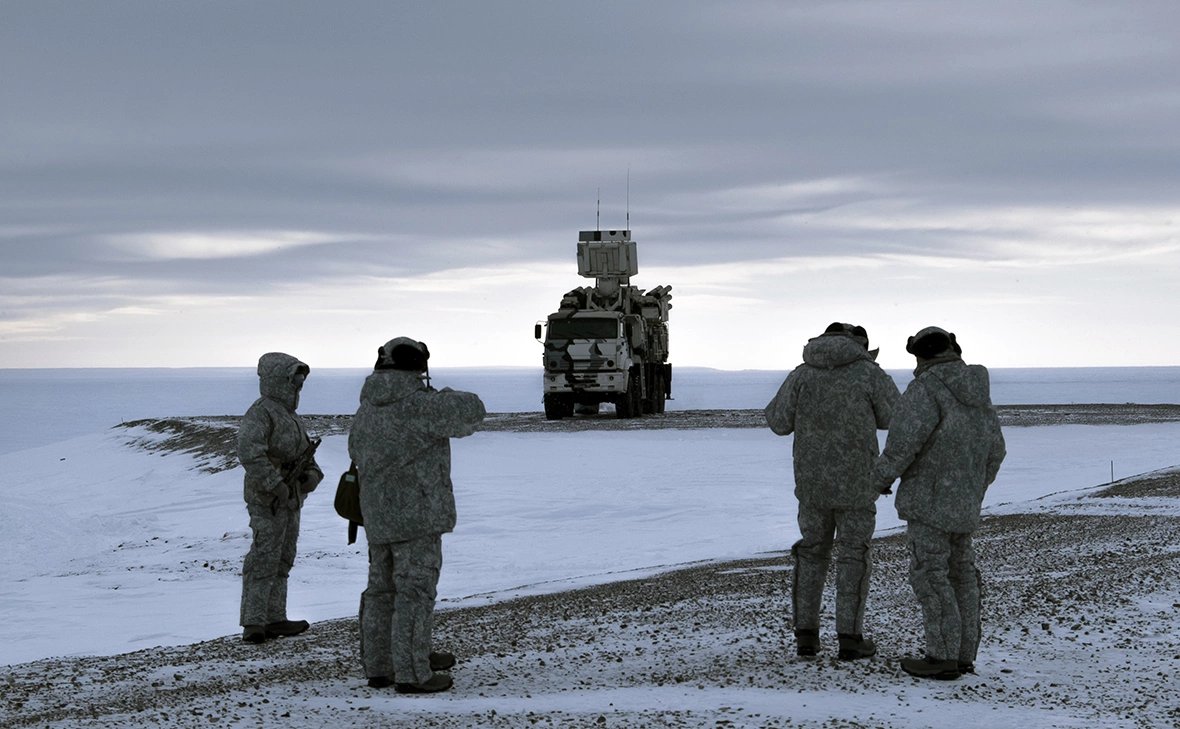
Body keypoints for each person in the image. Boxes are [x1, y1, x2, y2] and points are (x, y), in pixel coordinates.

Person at [349, 337, 486, 693]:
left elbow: (354, 450)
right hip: (417, 514)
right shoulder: (420, 405)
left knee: (381, 591)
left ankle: (381, 665)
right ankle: (412, 671)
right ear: (418, 366)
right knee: (415, 591)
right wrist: (441, 394)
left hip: (377, 513)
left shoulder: (367, 408)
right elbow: (473, 410)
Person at [871, 326, 1006, 680]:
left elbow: (901, 446)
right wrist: (973, 489)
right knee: (961, 575)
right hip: (963, 503)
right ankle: (962, 656)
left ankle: (941, 657)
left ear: (920, 356)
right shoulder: (978, 393)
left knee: (931, 575)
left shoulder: (925, 389)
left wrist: (877, 482)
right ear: (952, 349)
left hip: (929, 502)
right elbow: (996, 450)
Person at [765, 322, 900, 660]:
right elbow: (894, 417)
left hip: (812, 483)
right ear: (859, 344)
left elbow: (778, 422)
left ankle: (806, 636)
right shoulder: (869, 374)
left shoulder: (802, 374)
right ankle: (850, 637)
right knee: (854, 556)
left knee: (811, 554)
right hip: (858, 483)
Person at [237, 352, 323, 644]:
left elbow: (306, 455)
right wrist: (275, 484)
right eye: (295, 377)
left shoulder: (291, 417)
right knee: (263, 558)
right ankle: (253, 622)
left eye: (301, 377)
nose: (300, 383)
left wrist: (312, 477)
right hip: (267, 500)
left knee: (284, 558)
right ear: (279, 379)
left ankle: (275, 618)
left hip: (291, 499)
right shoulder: (261, 412)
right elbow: (250, 452)